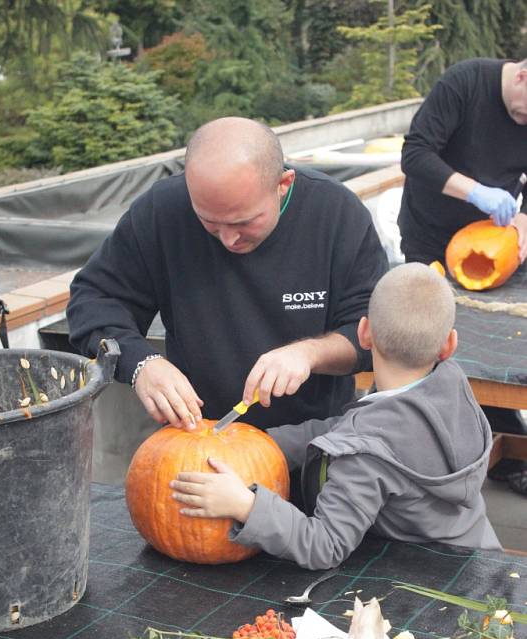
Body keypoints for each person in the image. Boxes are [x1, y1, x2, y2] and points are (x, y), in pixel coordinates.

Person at [67, 117, 388, 435]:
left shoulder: (335, 214)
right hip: (200, 438)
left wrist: (309, 354)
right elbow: (94, 300)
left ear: (283, 184)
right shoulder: (162, 211)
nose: (228, 239)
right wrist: (141, 364)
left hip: (315, 440)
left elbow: (375, 333)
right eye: (209, 222)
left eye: (244, 222)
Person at [170, 263, 501, 570]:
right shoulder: (450, 388)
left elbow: (324, 545)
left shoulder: (364, 454)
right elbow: (346, 428)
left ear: (364, 333)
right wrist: (260, 445)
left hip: (432, 579)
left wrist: (245, 505)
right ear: (448, 345)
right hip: (481, 556)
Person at [398, 57, 527, 495]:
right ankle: (425, 450)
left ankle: (506, 446)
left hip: (493, 238)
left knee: (496, 339)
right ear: (523, 75)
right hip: (430, 234)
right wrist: (474, 190)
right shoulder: (465, 83)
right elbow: (414, 154)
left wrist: (523, 220)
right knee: (433, 341)